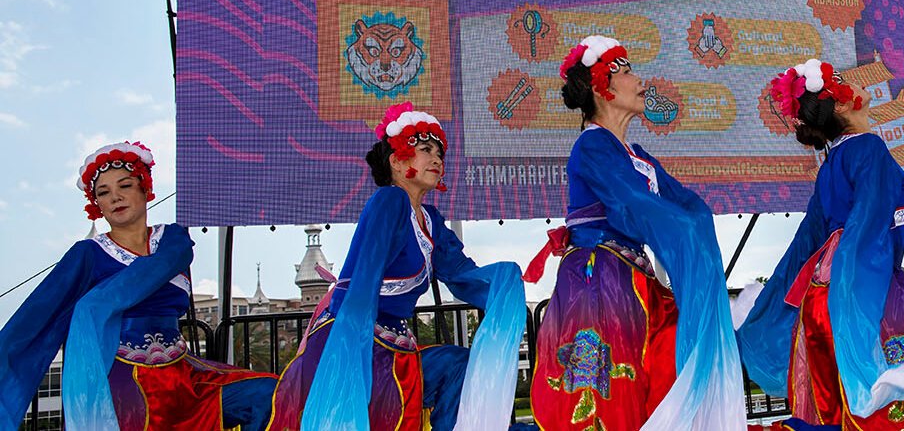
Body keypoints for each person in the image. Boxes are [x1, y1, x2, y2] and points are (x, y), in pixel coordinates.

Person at [523, 35, 743, 430]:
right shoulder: (592, 146)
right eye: (627, 72)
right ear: (601, 88)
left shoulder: (639, 156)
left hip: (636, 286)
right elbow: (629, 204)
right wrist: (680, 235)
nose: (641, 80)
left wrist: (699, 254)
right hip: (598, 285)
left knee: (670, 362)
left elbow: (688, 207)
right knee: (613, 397)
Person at [269, 102, 527, 430]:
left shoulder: (431, 222)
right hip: (354, 341)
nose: (436, 159)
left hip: (394, 348)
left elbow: (463, 275)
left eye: (439, 152)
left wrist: (505, 282)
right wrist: (350, 358)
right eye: (425, 150)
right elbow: (363, 280)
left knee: (457, 367)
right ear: (396, 159)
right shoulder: (389, 202)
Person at [738, 59, 904, 430]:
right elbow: (866, 228)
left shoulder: (833, 162)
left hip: (821, 299)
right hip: (857, 292)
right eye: (841, 82)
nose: (854, 83)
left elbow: (805, 243)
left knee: (837, 409)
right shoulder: (868, 148)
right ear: (840, 104)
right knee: (902, 409)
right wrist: (859, 302)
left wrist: (774, 305)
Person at [0, 141, 276, 430]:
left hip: (183, 372)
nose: (115, 197)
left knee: (267, 394)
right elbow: (31, 320)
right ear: (97, 205)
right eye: (103, 193)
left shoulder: (173, 240)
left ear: (145, 188)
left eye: (125, 186)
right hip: (122, 377)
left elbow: (171, 258)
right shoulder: (87, 255)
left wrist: (97, 303)